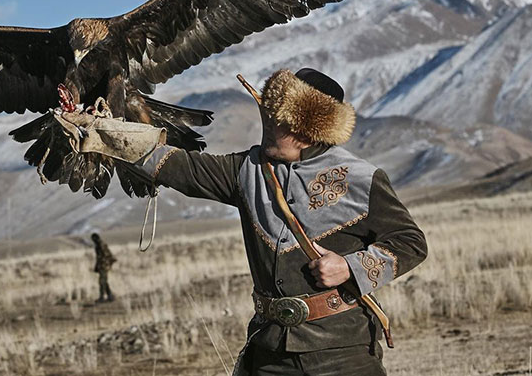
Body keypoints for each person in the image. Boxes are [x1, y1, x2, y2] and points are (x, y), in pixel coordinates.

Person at [76, 68, 427, 375]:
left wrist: (349, 267)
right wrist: (101, 131)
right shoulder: (247, 170)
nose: (267, 127)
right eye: (268, 116)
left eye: (279, 122)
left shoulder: (362, 179)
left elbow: (411, 242)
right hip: (269, 348)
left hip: (343, 348)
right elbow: (179, 167)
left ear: (306, 131)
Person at [91, 232, 117, 303]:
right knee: (104, 281)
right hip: (103, 266)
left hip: (104, 266)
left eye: (93, 239)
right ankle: (110, 296)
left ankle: (102, 297)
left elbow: (106, 255)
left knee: (102, 281)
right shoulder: (99, 245)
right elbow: (99, 258)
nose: (93, 241)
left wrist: (106, 264)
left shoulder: (101, 245)